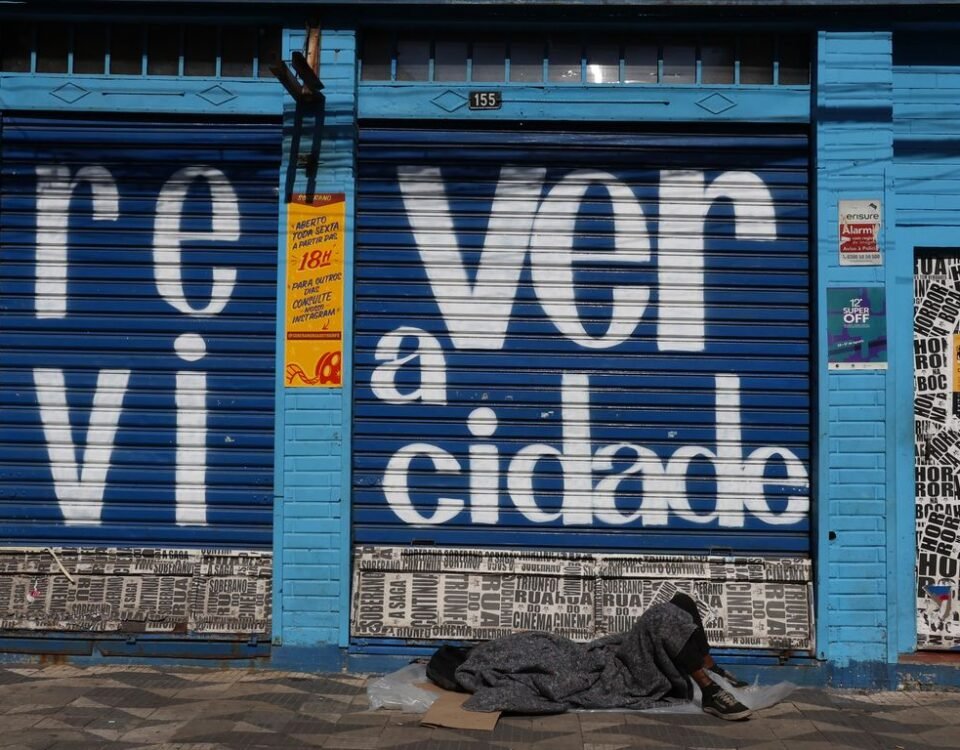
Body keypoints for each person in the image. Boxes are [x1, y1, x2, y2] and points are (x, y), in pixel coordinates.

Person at [666, 592, 752, 720]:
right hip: (636, 667)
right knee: (662, 621)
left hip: (636, 650)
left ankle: (708, 664)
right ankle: (709, 691)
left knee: (682, 600)